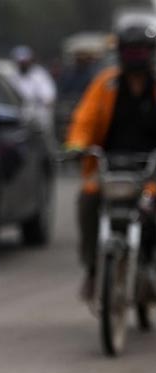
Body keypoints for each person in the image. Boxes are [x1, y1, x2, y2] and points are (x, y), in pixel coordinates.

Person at [65, 23, 156, 300]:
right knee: (88, 201)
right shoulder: (105, 83)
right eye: (130, 51)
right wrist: (77, 145)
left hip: (151, 172)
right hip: (110, 169)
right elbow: (85, 119)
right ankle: (94, 269)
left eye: (140, 50)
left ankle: (149, 267)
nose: (135, 56)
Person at [9, 45, 57, 141]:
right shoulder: (13, 76)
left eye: (25, 62)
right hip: (20, 118)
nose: (22, 64)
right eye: (20, 62)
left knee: (45, 142)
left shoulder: (39, 75)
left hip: (40, 117)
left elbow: (49, 96)